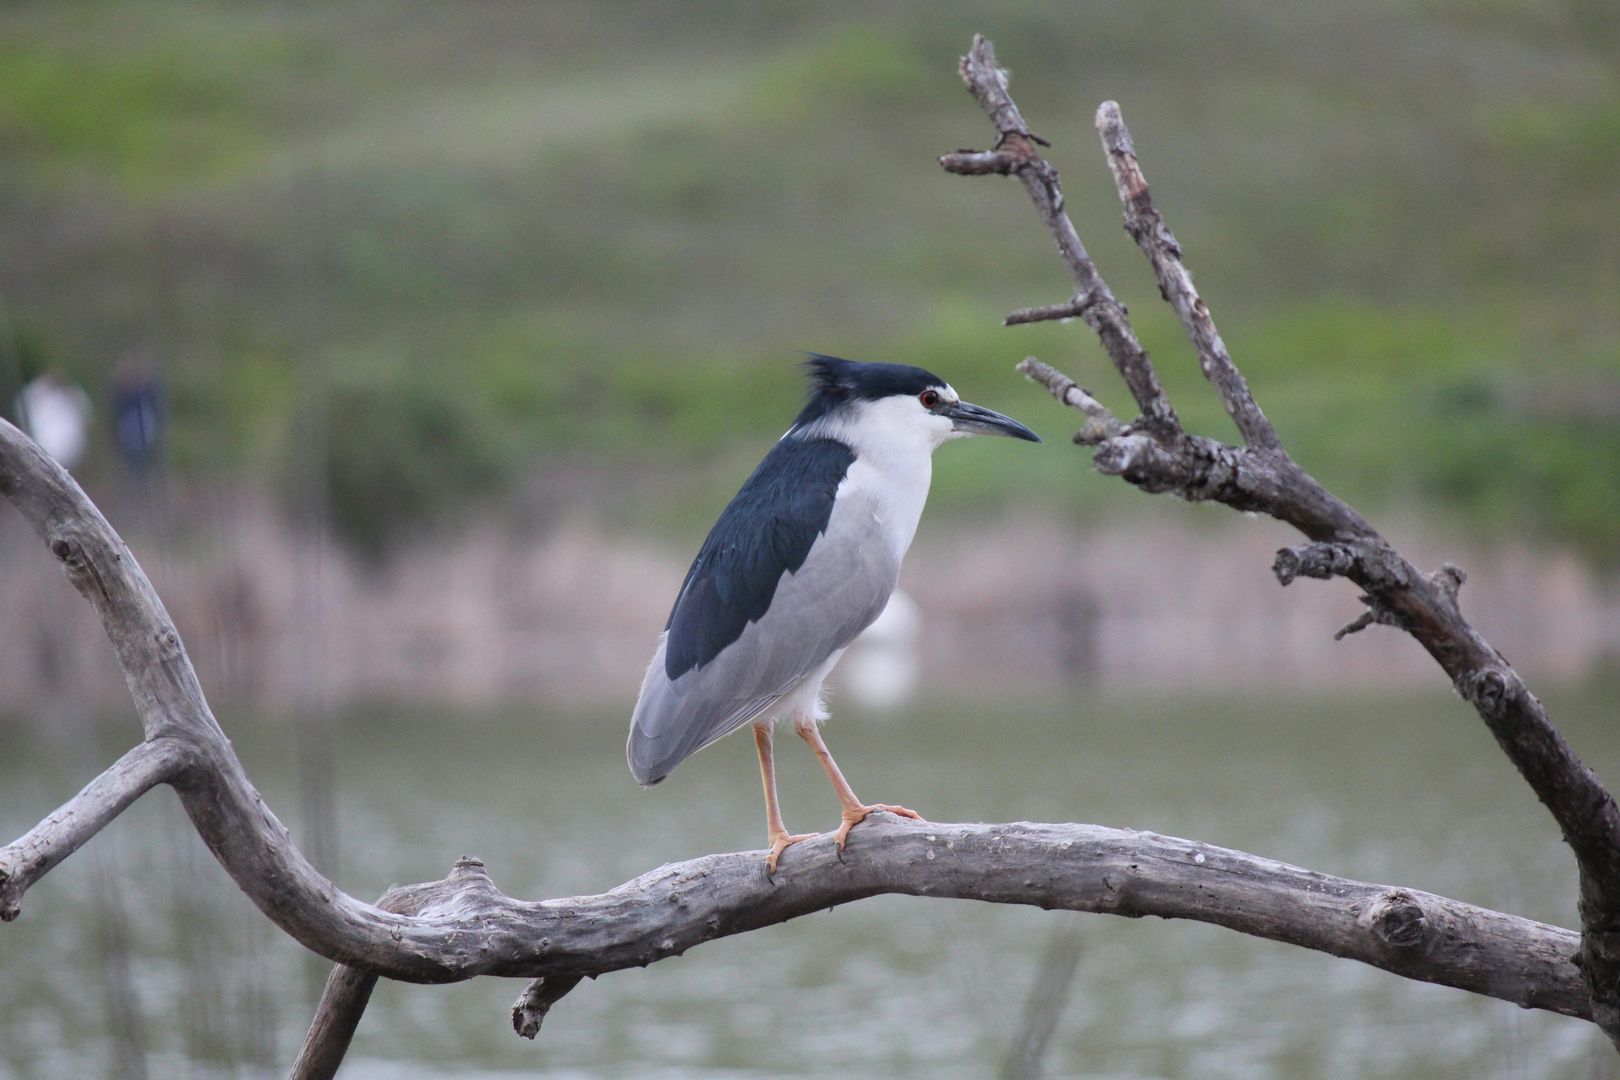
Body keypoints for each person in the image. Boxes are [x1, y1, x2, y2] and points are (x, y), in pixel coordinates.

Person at [15, 370, 92, 471]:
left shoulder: (71, 394)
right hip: (44, 441)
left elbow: (86, 414)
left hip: (68, 445)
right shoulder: (35, 392)